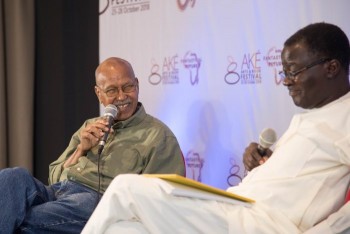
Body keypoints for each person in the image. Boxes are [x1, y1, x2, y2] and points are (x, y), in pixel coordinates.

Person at [81, 22, 350, 233]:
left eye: (293, 72)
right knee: (124, 229)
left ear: (332, 68)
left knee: (125, 187)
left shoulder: (345, 118)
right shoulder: (316, 116)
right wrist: (263, 161)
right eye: (284, 73)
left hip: (262, 222)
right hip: (234, 205)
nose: (286, 81)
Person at [0, 57, 186, 233]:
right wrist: (81, 149)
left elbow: (163, 199)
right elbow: (54, 177)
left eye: (128, 87)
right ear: (99, 93)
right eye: (112, 90)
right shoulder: (91, 125)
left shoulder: (158, 136)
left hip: (97, 201)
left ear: (137, 85)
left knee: (22, 217)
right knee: (13, 176)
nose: (122, 96)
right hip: (60, 192)